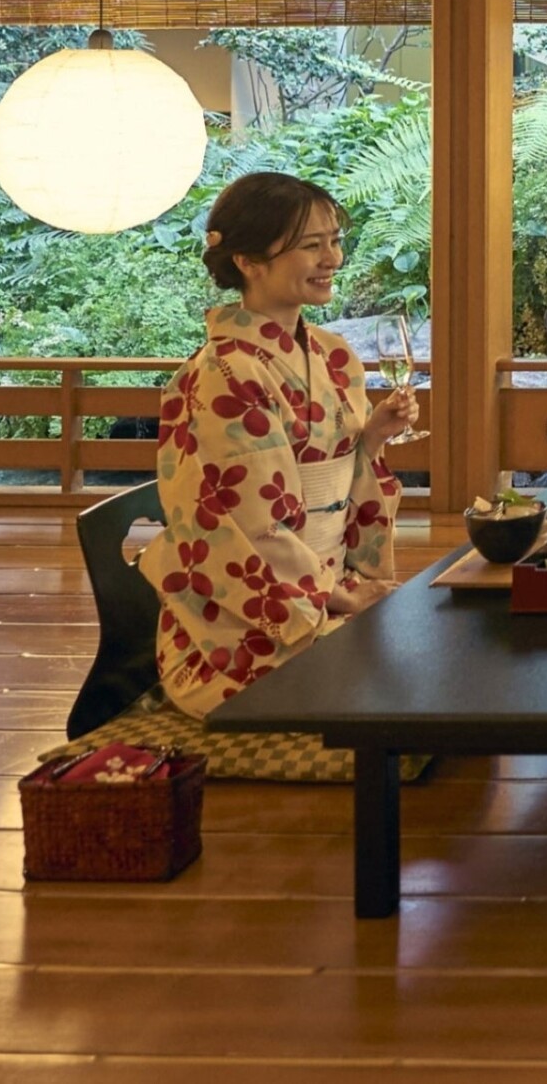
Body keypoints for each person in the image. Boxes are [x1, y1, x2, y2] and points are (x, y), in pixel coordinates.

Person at [139, 172, 418, 718]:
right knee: (409, 688)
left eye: (335, 240)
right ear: (249, 261)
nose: (332, 258)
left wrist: (373, 439)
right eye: (311, 246)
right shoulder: (225, 373)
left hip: (323, 591)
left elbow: (336, 476)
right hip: (243, 626)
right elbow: (252, 525)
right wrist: (341, 600)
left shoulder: (335, 355)